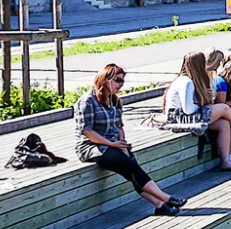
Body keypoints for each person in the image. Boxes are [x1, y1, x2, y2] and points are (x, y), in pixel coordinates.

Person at [76, 66, 186, 215]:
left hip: (113, 144)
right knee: (130, 167)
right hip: (91, 146)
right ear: (105, 79)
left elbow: (119, 126)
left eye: (122, 81)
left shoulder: (114, 101)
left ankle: (160, 205)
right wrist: (112, 144)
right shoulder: (87, 101)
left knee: (132, 168)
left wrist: (123, 142)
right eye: (117, 80)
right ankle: (165, 198)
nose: (120, 84)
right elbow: (86, 131)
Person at [165, 51, 231, 171]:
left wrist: (208, 99)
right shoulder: (186, 82)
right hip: (179, 118)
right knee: (224, 108)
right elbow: (188, 109)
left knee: (224, 123)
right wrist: (206, 107)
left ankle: (226, 161)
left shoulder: (191, 80)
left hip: (184, 117)